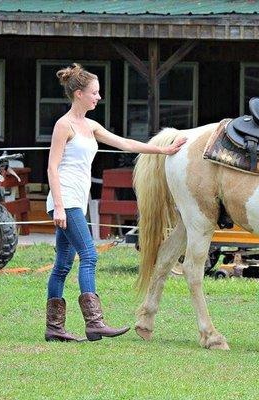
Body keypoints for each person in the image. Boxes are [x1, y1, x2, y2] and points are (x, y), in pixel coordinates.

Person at [44, 63, 186, 342]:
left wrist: (162, 149)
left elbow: (125, 143)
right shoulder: (64, 125)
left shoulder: (90, 125)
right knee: (89, 255)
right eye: (94, 92)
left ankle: (54, 328)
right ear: (79, 94)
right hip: (67, 199)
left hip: (76, 200)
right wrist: (59, 206)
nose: (98, 97)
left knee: (62, 264)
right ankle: (94, 322)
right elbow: (52, 167)